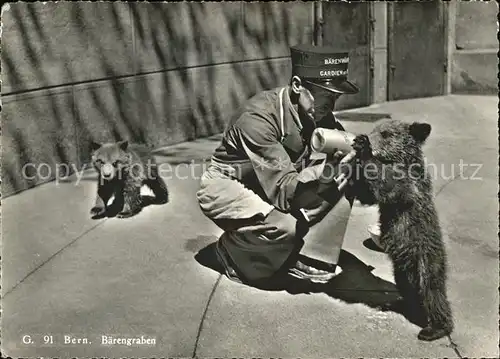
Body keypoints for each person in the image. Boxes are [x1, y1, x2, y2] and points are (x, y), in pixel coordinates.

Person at [196, 44, 360, 287]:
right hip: (228, 184)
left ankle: (309, 256)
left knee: (347, 175)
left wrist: (351, 157)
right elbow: (286, 193)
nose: (331, 107)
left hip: (273, 179)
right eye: (325, 95)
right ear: (297, 85)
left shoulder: (315, 112)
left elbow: (342, 151)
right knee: (285, 226)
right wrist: (325, 173)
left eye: (334, 98)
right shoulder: (257, 118)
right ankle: (232, 254)